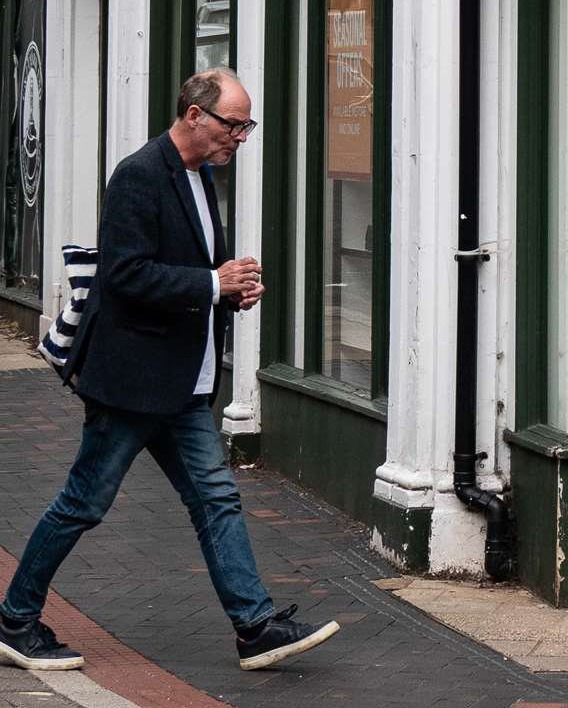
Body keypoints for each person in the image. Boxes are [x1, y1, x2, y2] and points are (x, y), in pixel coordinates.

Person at [0, 69, 340, 675]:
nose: (241, 136)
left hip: (182, 382)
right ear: (193, 116)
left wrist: (227, 290)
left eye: (246, 126)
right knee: (84, 502)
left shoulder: (199, 175)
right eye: (233, 124)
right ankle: (15, 620)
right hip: (133, 383)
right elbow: (125, 274)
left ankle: (255, 626)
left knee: (216, 498)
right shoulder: (139, 175)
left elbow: (185, 271)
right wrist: (213, 282)